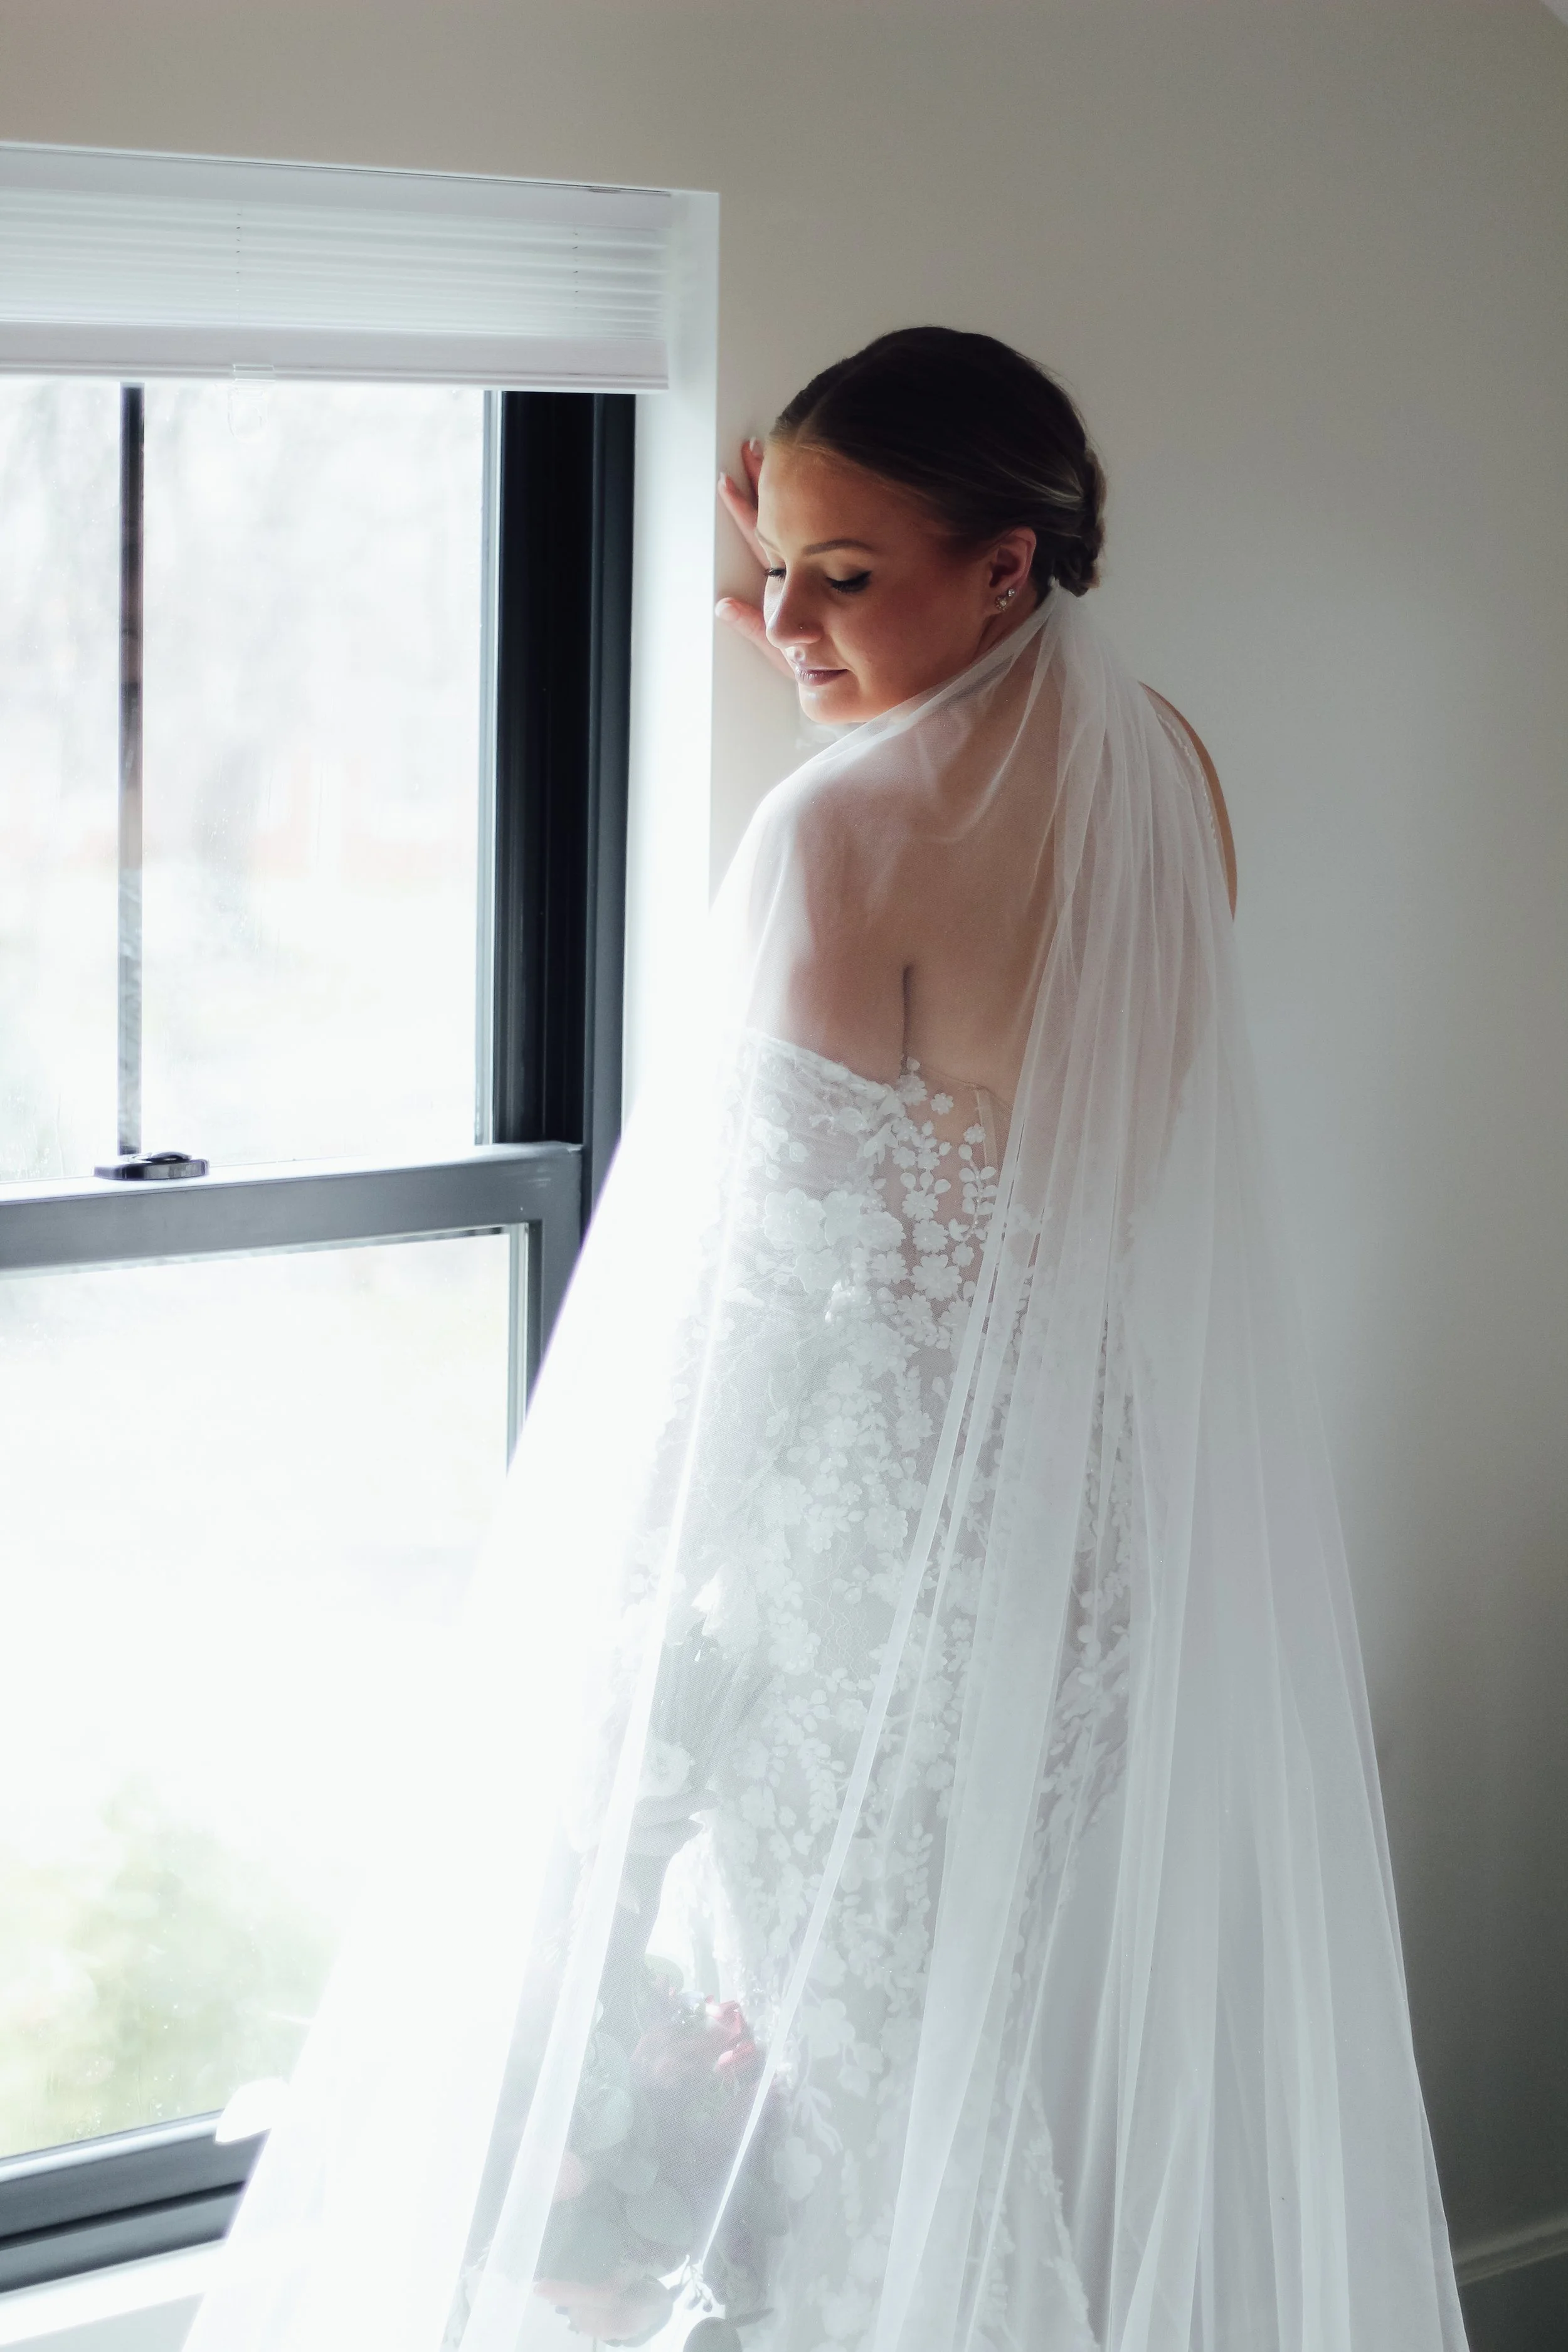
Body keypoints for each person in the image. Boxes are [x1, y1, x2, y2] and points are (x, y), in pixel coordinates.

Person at [184, 329, 1469, 2352]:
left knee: (870, 2120)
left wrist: (601, 1590)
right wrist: (837, 584)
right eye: (772, 563)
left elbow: (761, 1290)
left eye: (842, 577)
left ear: (1007, 568)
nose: (781, 620)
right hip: (1081, 1544)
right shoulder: (1163, 771)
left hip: (864, 1574)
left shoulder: (833, 837)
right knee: (938, 2082)